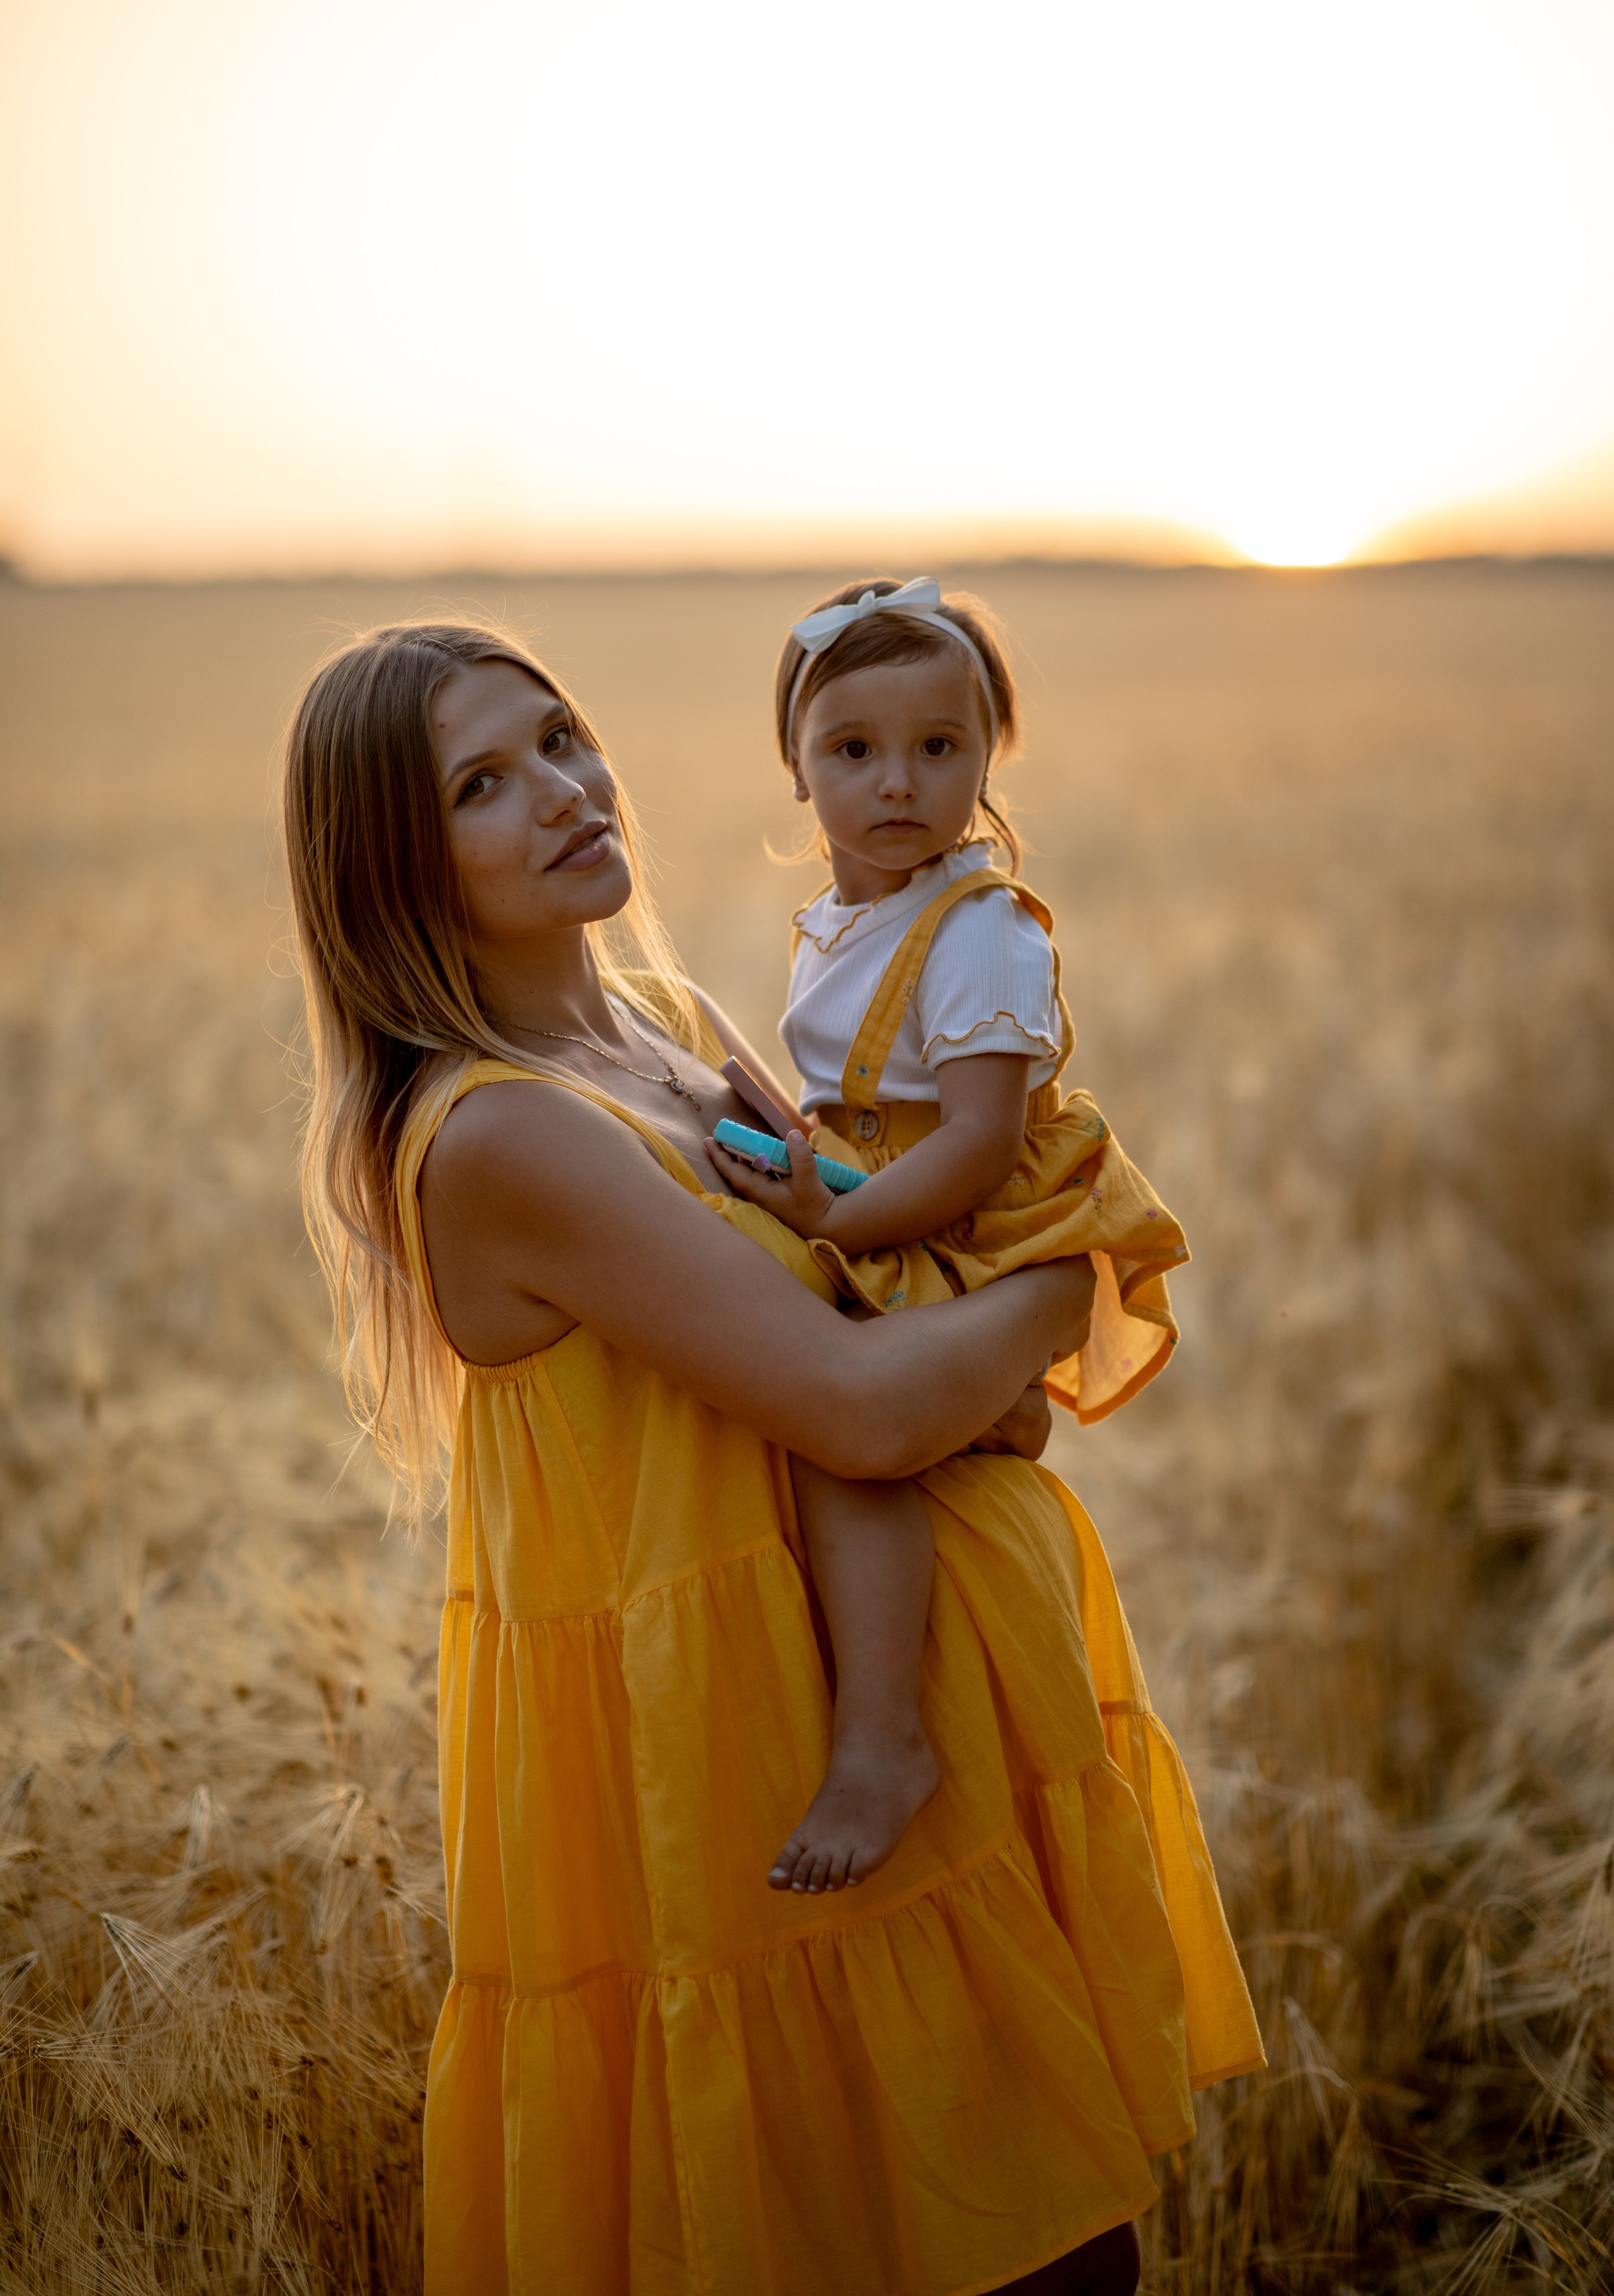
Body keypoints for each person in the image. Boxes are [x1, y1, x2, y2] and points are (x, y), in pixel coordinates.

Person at [282, 618, 1263, 2296]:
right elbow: (873, 1403)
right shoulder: (503, 1130)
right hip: (744, 1788)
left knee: (1047, 2239)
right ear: (396, 865)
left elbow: (889, 1298)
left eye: (563, 738)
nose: (568, 793)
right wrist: (1070, 1275)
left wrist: (971, 1338)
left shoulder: (671, 1023)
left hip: (900, 1738)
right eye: (483, 784)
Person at [709, 578, 1193, 1900]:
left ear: (987, 762)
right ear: (796, 772)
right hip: (886, 1184)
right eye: (851, 749)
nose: (897, 782)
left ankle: (882, 1743)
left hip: (973, 1220)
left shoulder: (979, 935)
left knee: (838, 1423)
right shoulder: (840, 916)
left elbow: (976, 1144)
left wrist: (836, 1220)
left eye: (940, 747)